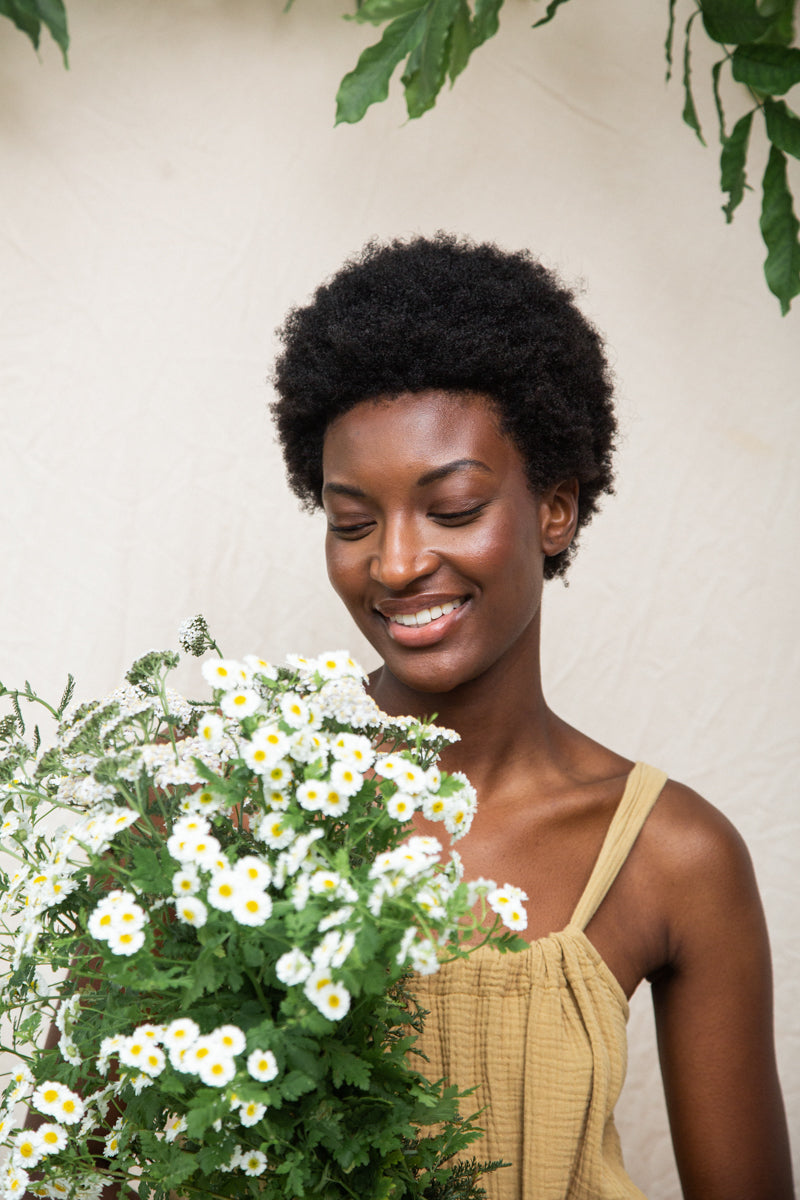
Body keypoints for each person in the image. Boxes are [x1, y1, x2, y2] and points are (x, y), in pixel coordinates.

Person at [270, 233, 793, 1200]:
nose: (393, 564)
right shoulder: (237, 808)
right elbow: (86, 1143)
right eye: (352, 523)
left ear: (555, 509)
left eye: (454, 508)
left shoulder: (673, 855)